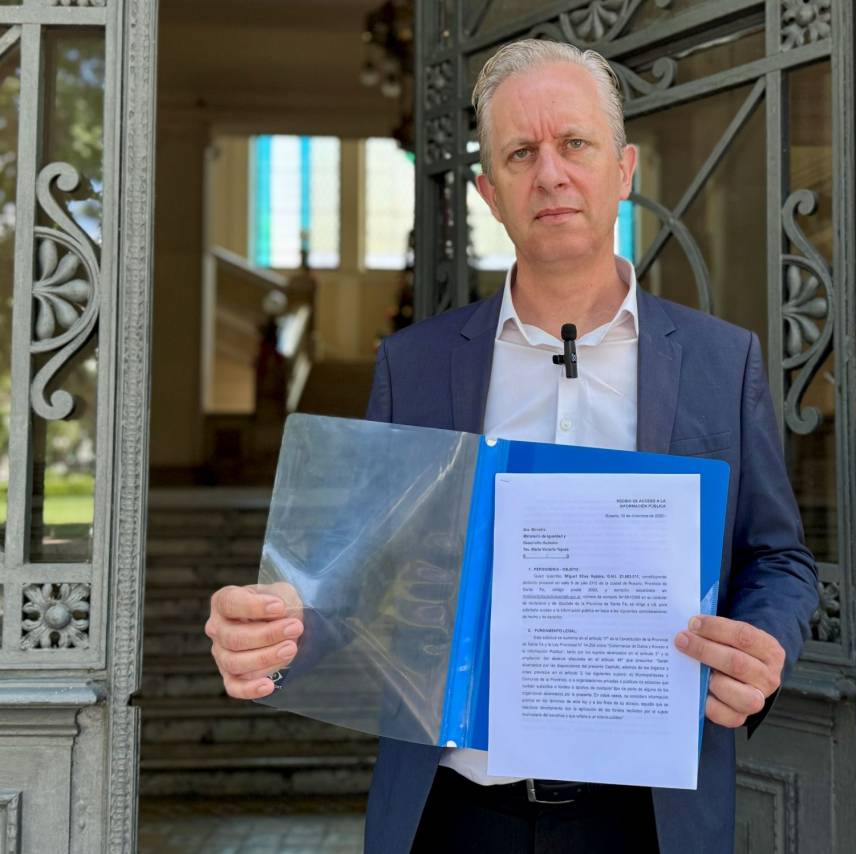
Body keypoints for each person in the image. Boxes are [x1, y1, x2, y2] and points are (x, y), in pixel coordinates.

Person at [204, 39, 818, 854]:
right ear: (489, 192)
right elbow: (358, 582)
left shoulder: (720, 361)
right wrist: (275, 631)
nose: (551, 174)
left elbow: (778, 558)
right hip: (456, 814)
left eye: (575, 144)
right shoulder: (415, 368)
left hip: (647, 819)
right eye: (521, 153)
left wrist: (764, 644)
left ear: (624, 169)